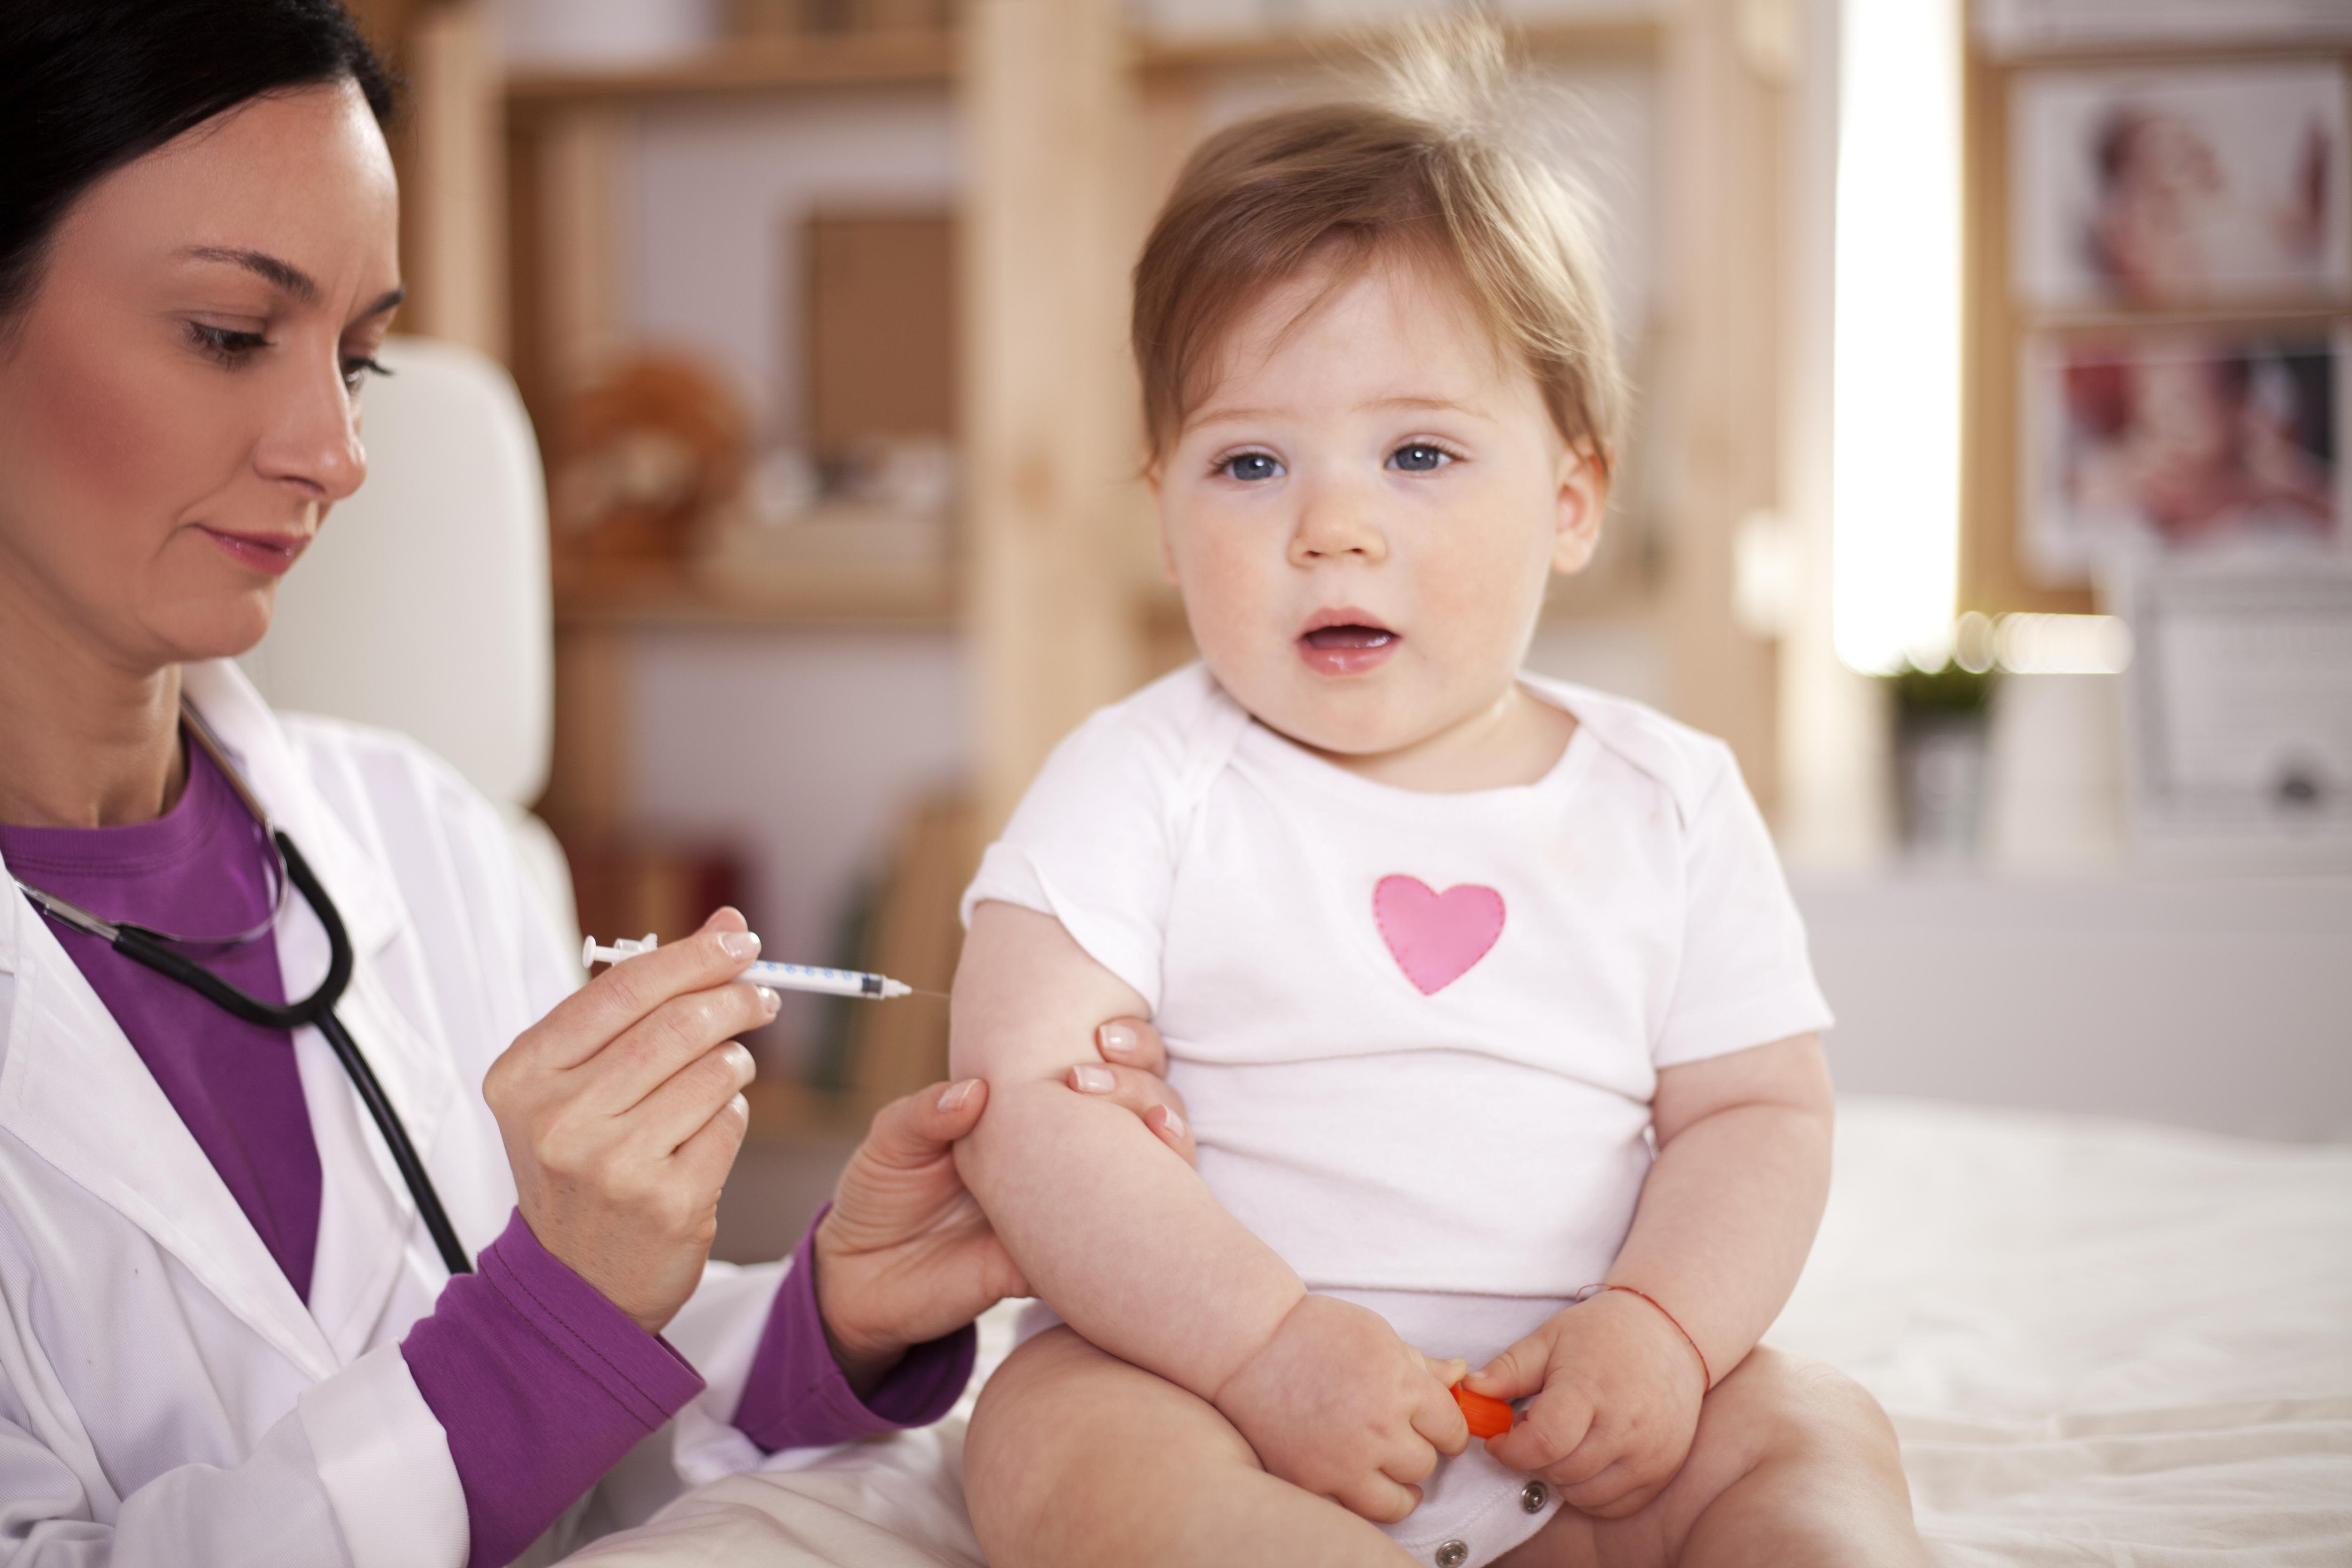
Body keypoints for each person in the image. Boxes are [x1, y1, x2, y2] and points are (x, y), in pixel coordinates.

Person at [0, 4, 1189, 1565]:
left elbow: (580, 1447)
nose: (338, 450)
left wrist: (832, 1313)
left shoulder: (425, 839)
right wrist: (544, 1327)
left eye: (357, 359)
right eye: (232, 333)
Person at [948, 24, 1933, 1568]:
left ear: (1570, 501)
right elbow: (1023, 1111)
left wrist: (1664, 1336)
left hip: (1578, 1419)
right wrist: (1265, 1347)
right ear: (1161, 511)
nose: (1333, 525)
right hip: (1212, 1391)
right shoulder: (1138, 782)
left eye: (1416, 452)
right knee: (1055, 1434)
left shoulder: (1667, 800)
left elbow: (1756, 1114)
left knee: (1809, 1429)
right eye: (1251, 466)